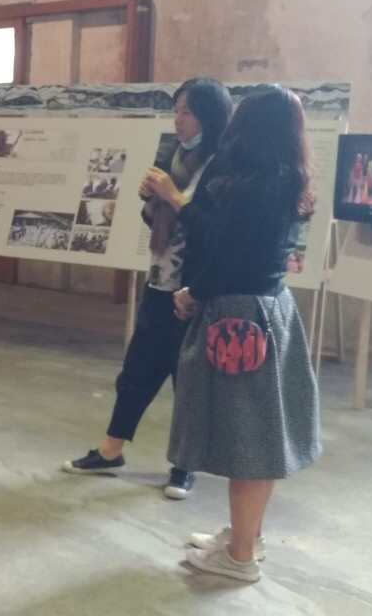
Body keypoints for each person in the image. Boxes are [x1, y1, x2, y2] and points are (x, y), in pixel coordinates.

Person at [151, 85, 321, 583]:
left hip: (238, 317)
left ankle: (239, 557)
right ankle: (247, 536)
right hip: (271, 308)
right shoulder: (287, 179)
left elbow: (226, 259)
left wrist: (192, 292)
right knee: (260, 433)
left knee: (247, 440)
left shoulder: (251, 189)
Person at [63, 78, 232, 502]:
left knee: (188, 380)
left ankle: (184, 465)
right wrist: (149, 200)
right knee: (136, 370)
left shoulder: (223, 164)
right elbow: (157, 221)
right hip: (160, 280)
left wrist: (172, 197)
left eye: (187, 112)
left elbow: (212, 232)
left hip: (194, 290)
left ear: (209, 116)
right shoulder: (175, 156)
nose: (178, 120)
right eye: (175, 111)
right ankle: (110, 450)